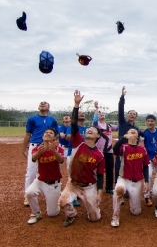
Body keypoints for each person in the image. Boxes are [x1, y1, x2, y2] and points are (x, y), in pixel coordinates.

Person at [58, 90, 105, 227]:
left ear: (97, 136)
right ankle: (72, 215)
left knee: (95, 218)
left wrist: (100, 193)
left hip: (90, 187)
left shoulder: (99, 155)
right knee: (63, 202)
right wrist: (76, 105)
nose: (90, 130)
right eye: (88, 129)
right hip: (73, 184)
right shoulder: (78, 143)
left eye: (93, 130)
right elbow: (73, 125)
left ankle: (93, 208)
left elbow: (101, 175)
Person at [21, 101, 59, 206]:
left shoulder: (53, 120)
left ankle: (50, 193)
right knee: (31, 172)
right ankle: (27, 196)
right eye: (41, 103)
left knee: (47, 169)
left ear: (48, 107)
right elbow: (28, 134)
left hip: (48, 147)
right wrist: (24, 148)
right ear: (38, 107)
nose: (42, 103)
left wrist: (54, 145)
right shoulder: (32, 119)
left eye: (45, 103)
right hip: (35, 146)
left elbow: (56, 134)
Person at [111, 129, 149, 227]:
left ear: (138, 136)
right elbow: (114, 150)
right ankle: (115, 217)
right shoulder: (123, 147)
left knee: (136, 212)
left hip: (137, 181)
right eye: (130, 131)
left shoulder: (143, 149)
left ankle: (133, 205)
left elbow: (145, 166)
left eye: (134, 131)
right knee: (119, 190)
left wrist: (147, 182)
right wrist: (123, 138)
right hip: (123, 178)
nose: (132, 131)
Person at [25, 128, 64, 224]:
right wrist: (38, 152)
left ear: (55, 137)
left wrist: (54, 151)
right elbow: (33, 158)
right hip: (40, 180)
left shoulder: (59, 149)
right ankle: (36, 213)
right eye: (46, 132)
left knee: (52, 214)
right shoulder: (38, 148)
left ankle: (57, 201)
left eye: (51, 133)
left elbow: (61, 160)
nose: (48, 134)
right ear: (42, 136)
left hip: (53, 183)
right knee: (29, 192)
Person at [92, 101, 118, 194]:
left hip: (109, 151)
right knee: (96, 170)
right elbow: (94, 120)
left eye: (103, 114)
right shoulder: (96, 125)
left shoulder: (109, 126)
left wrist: (119, 117)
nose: (101, 115)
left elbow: (119, 127)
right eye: (99, 114)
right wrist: (96, 109)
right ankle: (95, 187)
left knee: (110, 169)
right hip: (98, 151)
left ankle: (109, 187)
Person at [116, 86, 140, 183]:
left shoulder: (137, 128)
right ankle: (118, 185)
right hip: (121, 149)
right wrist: (122, 97)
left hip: (132, 151)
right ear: (127, 115)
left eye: (134, 114)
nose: (132, 115)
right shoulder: (122, 123)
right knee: (119, 167)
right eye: (130, 113)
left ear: (136, 117)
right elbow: (120, 110)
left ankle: (129, 185)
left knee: (130, 168)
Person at [142, 114, 157, 206]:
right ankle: (146, 196)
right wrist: (151, 157)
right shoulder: (144, 133)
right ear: (146, 122)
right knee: (148, 175)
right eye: (148, 121)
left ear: (155, 122)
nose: (150, 123)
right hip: (149, 158)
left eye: (152, 121)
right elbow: (143, 147)